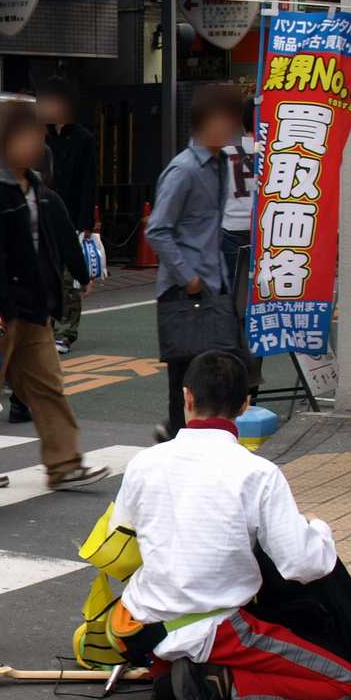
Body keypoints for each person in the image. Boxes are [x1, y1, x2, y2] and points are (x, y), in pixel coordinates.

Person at [110, 351, 351, 700]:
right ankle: (220, 689)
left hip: (139, 621)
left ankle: (170, 672)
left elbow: (122, 534)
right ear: (245, 405)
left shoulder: (144, 463)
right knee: (347, 684)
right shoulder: (257, 473)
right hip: (213, 626)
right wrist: (317, 528)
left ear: (187, 397)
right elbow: (303, 564)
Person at [0, 103, 110, 492]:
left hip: (34, 309)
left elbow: (60, 235)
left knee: (48, 387)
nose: (36, 145)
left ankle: (64, 464)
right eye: (27, 137)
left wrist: (81, 274)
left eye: (38, 138)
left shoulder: (39, 190)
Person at [146, 82, 243, 440]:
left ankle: (190, 438)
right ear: (206, 121)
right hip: (186, 292)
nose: (233, 127)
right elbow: (157, 229)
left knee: (219, 376)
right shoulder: (184, 170)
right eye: (227, 119)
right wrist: (189, 278)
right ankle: (176, 439)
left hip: (213, 286)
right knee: (186, 380)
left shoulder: (220, 164)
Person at [37, 76, 97, 356]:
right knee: (46, 274)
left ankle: (66, 331)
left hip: (70, 214)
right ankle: (47, 328)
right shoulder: (41, 135)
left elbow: (88, 182)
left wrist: (86, 222)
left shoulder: (84, 138)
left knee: (68, 278)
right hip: (41, 213)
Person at [221, 96, 257, 290]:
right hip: (265, 231)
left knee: (235, 291)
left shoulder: (224, 154)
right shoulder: (276, 155)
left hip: (231, 230)